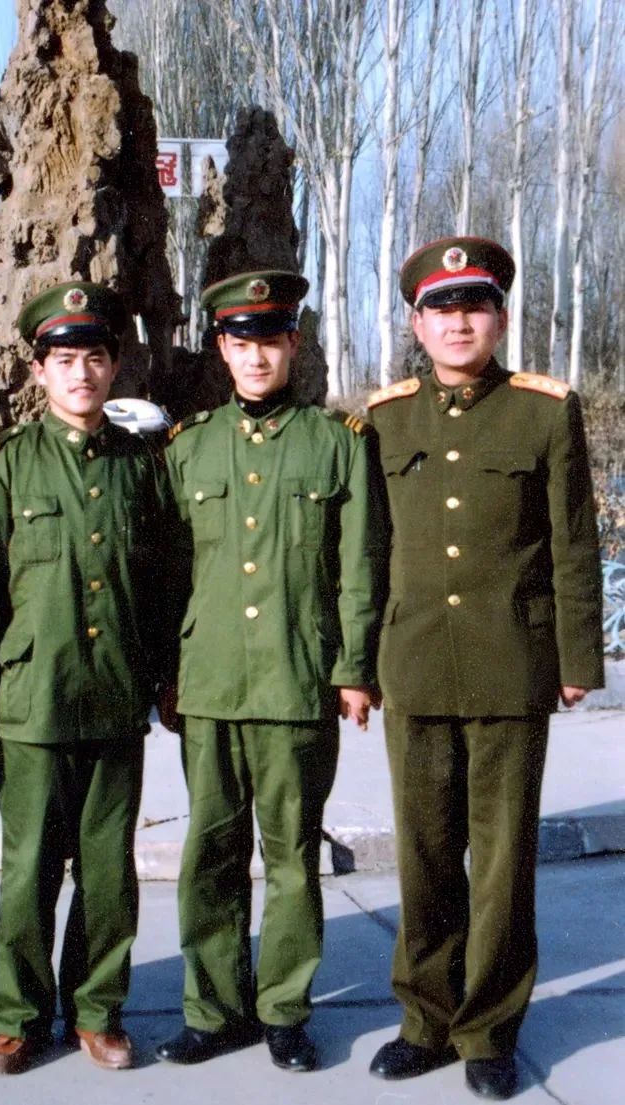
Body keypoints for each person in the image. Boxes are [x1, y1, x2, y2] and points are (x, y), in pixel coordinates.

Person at [366, 237, 605, 1101]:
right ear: (416, 324)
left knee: (501, 859)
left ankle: (490, 1028)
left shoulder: (544, 411)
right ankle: (425, 1018)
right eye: (441, 308)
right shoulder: (385, 419)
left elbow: (574, 544)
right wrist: (357, 664)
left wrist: (578, 658)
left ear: (499, 317)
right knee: (424, 852)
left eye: (474, 305)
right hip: (415, 663)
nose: (458, 322)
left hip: (512, 660)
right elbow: (369, 551)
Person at [156, 270, 387, 1072]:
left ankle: (284, 1008)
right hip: (211, 683)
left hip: (297, 680)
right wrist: (167, 673)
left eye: (271, 340)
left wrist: (354, 667)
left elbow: (360, 566)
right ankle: (214, 1008)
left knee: (291, 855)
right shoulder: (188, 447)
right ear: (222, 348)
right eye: (240, 341)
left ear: (294, 344)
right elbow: (168, 574)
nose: (256, 356)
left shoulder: (338, 443)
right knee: (211, 852)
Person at [0, 281, 169, 1074]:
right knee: (27, 868)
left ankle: (97, 1010)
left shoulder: (140, 465)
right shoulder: (8, 465)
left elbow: (159, 586)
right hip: (34, 698)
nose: (81, 373)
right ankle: (17, 1015)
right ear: (39, 371)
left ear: (114, 366)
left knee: (107, 869)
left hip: (115, 693)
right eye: (64, 359)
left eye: (94, 357)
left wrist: (160, 678)